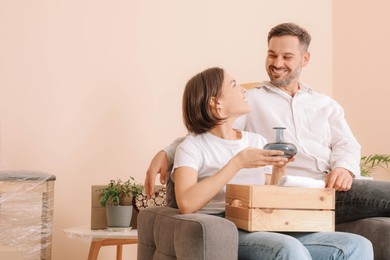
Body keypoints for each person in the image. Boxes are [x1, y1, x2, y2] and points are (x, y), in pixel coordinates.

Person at [145, 23, 390, 225]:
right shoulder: (250, 100)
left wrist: (344, 169)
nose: (277, 63)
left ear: (305, 59)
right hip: (297, 193)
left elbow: (346, 144)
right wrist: (166, 153)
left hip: (336, 190)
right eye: (272, 55)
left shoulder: (325, 104)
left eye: (287, 56)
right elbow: (209, 130)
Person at [171, 66, 372, 259]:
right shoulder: (191, 147)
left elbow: (270, 191)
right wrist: (237, 163)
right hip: (225, 227)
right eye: (233, 85)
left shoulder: (255, 141)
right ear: (216, 102)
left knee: (357, 244)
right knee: (286, 247)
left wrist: (279, 169)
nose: (243, 89)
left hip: (263, 222)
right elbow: (187, 203)